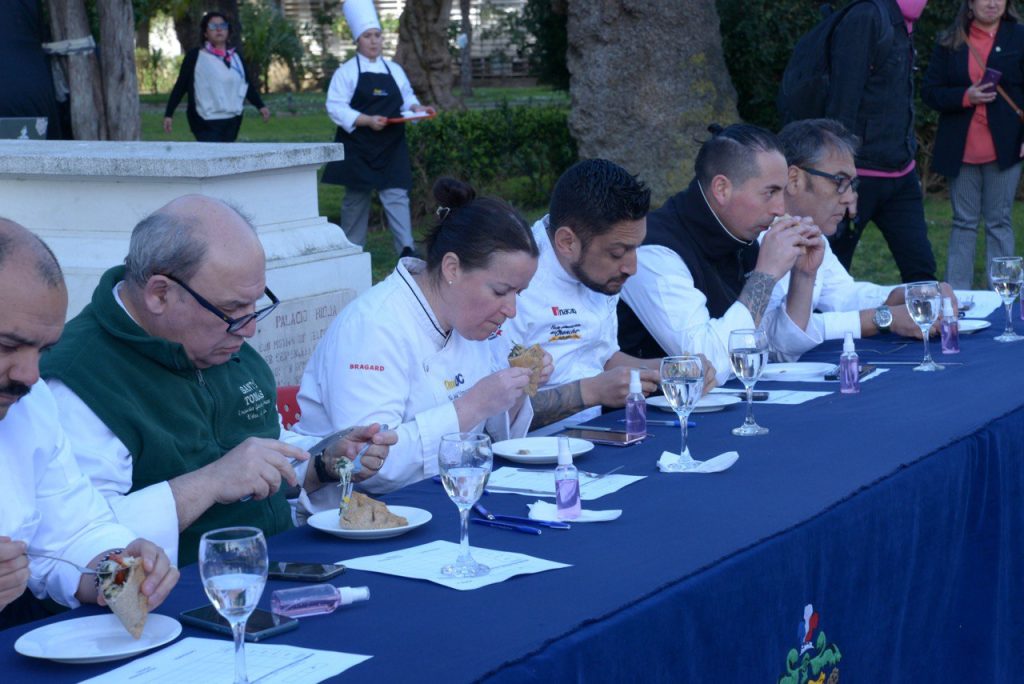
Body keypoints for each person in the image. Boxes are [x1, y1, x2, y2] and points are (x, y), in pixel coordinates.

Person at [40, 196, 395, 566]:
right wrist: (210, 483)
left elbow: (262, 448)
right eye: (232, 310)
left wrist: (322, 462)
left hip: (282, 565)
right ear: (160, 294)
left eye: (255, 304)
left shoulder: (220, 343)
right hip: (181, 600)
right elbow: (74, 540)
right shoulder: (77, 381)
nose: (251, 328)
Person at [296, 178, 551, 493]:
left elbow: (494, 437)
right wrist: (473, 405)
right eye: (501, 291)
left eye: (519, 293)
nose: (511, 309)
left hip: (443, 496)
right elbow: (369, 465)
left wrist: (515, 388)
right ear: (452, 268)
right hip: (352, 518)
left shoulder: (471, 321)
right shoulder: (373, 327)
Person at [0, 217, 178, 629]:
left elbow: (72, 533)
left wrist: (117, 567)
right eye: (9, 345)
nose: (29, 374)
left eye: (43, 350)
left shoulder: (32, 406)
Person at [500, 159, 714, 432]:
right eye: (617, 253)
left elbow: (602, 356)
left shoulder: (600, 274)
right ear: (567, 242)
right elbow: (495, 416)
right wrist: (591, 392)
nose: (631, 268)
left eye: (636, 248)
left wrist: (668, 370)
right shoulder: (514, 284)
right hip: (526, 458)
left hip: (595, 436)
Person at [617, 124, 822, 385]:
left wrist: (804, 276)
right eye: (770, 192)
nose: (780, 208)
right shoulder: (654, 251)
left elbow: (776, 350)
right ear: (722, 189)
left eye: (782, 192)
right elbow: (707, 363)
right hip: (645, 418)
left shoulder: (740, 234)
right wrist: (764, 277)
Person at [768, 119, 952, 355]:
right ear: (794, 180)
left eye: (852, 184)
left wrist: (905, 293)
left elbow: (844, 297)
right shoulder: (759, 238)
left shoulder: (808, 233)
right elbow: (774, 336)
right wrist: (883, 318)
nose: (849, 197)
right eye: (839, 182)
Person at [825, 0, 938, 283]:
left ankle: (926, 327)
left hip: (901, 174)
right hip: (859, 176)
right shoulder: (867, 16)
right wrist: (842, 179)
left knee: (922, 275)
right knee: (829, 277)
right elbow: (842, 104)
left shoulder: (904, 19)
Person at [922, 0, 1024, 289]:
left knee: (999, 222)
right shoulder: (949, 41)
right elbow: (930, 92)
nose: (992, 3)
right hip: (962, 150)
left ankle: (1004, 296)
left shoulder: (1019, 36)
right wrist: (966, 96)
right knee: (964, 223)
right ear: (969, 3)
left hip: (1005, 147)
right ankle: (958, 299)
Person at [322, 0, 433, 259]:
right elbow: (335, 107)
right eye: (367, 36)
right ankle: (351, 251)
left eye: (377, 36)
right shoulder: (346, 72)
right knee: (356, 201)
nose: (373, 41)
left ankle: (406, 251)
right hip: (359, 147)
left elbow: (407, 99)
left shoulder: (394, 70)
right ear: (357, 41)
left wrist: (418, 109)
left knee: (397, 196)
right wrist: (366, 120)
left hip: (391, 146)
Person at [163, 11, 270, 142]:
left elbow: (246, 86)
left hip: (232, 119)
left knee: (226, 157)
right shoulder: (195, 57)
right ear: (205, 33)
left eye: (223, 26)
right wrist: (169, 114)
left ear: (228, 31)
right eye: (213, 26)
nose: (219, 29)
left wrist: (261, 106)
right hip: (205, 120)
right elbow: (180, 86)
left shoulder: (236, 57)